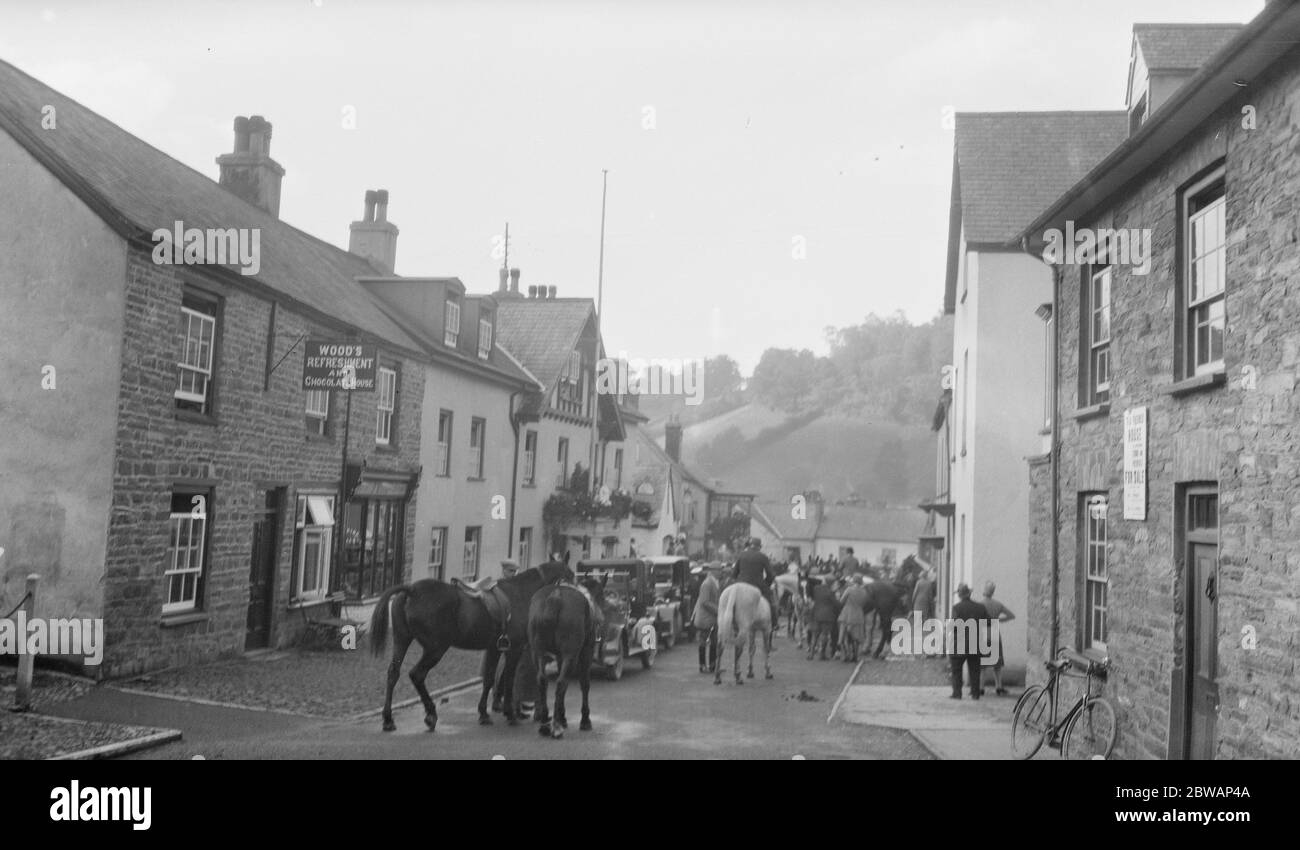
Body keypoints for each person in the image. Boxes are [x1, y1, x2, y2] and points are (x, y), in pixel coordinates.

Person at [948, 584, 989, 700]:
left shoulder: (956, 608)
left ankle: (957, 693)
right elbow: (989, 622)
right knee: (975, 670)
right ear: (969, 594)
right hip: (975, 644)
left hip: (959, 644)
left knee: (956, 670)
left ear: (960, 595)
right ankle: (975, 694)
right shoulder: (980, 607)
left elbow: (954, 627)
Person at [733, 537, 778, 633]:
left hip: (741, 584)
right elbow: (770, 574)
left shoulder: (741, 555)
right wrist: (767, 583)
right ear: (759, 547)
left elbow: (734, 573)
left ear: (750, 545)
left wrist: (739, 581)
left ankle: (731, 620)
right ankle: (774, 623)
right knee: (771, 601)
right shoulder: (763, 557)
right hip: (757, 585)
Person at [980, 581, 1016, 696]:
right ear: (993, 592)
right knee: (997, 663)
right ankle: (998, 686)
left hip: (983, 634)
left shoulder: (980, 604)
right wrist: (999, 621)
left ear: (984, 590)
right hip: (995, 632)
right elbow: (1011, 615)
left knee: (983, 664)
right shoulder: (998, 604)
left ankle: (981, 687)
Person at [692, 562, 722, 673]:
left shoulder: (714, 582)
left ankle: (712, 665)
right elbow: (705, 602)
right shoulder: (707, 583)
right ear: (713, 570)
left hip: (711, 618)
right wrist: (718, 610)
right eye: (719, 570)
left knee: (714, 641)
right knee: (703, 641)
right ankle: (702, 665)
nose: (721, 572)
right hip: (705, 618)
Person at [837, 575, 869, 662]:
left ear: (854, 581)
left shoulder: (849, 589)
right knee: (856, 637)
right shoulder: (864, 591)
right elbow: (864, 603)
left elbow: (841, 601)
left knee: (843, 635)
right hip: (858, 614)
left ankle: (846, 654)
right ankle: (855, 655)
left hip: (847, 613)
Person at [808, 576, 841, 661]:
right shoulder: (830, 592)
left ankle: (811, 654)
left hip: (816, 614)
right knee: (824, 635)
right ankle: (821, 654)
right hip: (827, 616)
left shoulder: (816, 588)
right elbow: (836, 604)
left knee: (815, 635)